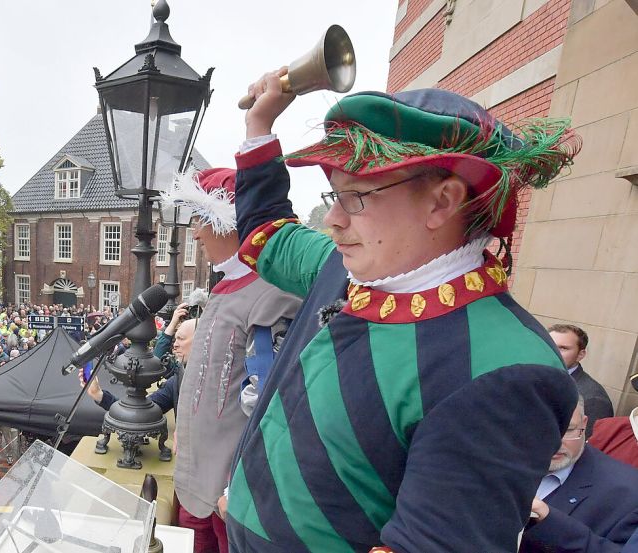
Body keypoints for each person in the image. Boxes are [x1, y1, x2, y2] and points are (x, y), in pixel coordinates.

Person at [223, 74, 582, 551]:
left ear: (443, 201)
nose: (332, 219)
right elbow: (264, 234)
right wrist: (260, 125)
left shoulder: (507, 369)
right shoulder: (347, 266)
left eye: (357, 197)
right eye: (336, 195)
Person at [161, 167, 302, 553]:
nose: (195, 233)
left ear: (226, 221)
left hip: (230, 495)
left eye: (200, 220)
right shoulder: (227, 286)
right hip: (201, 484)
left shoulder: (273, 294)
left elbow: (272, 406)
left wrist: (236, 487)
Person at [521, 398, 638, 551]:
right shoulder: (495, 457)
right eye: (544, 429)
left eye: (569, 430)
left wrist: (550, 522)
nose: (556, 442)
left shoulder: (629, 493)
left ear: (584, 424)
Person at [549, 324, 614, 436]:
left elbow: (587, 444)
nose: (553, 352)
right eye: (549, 346)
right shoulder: (531, 379)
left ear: (580, 354)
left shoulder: (593, 399)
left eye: (563, 348)